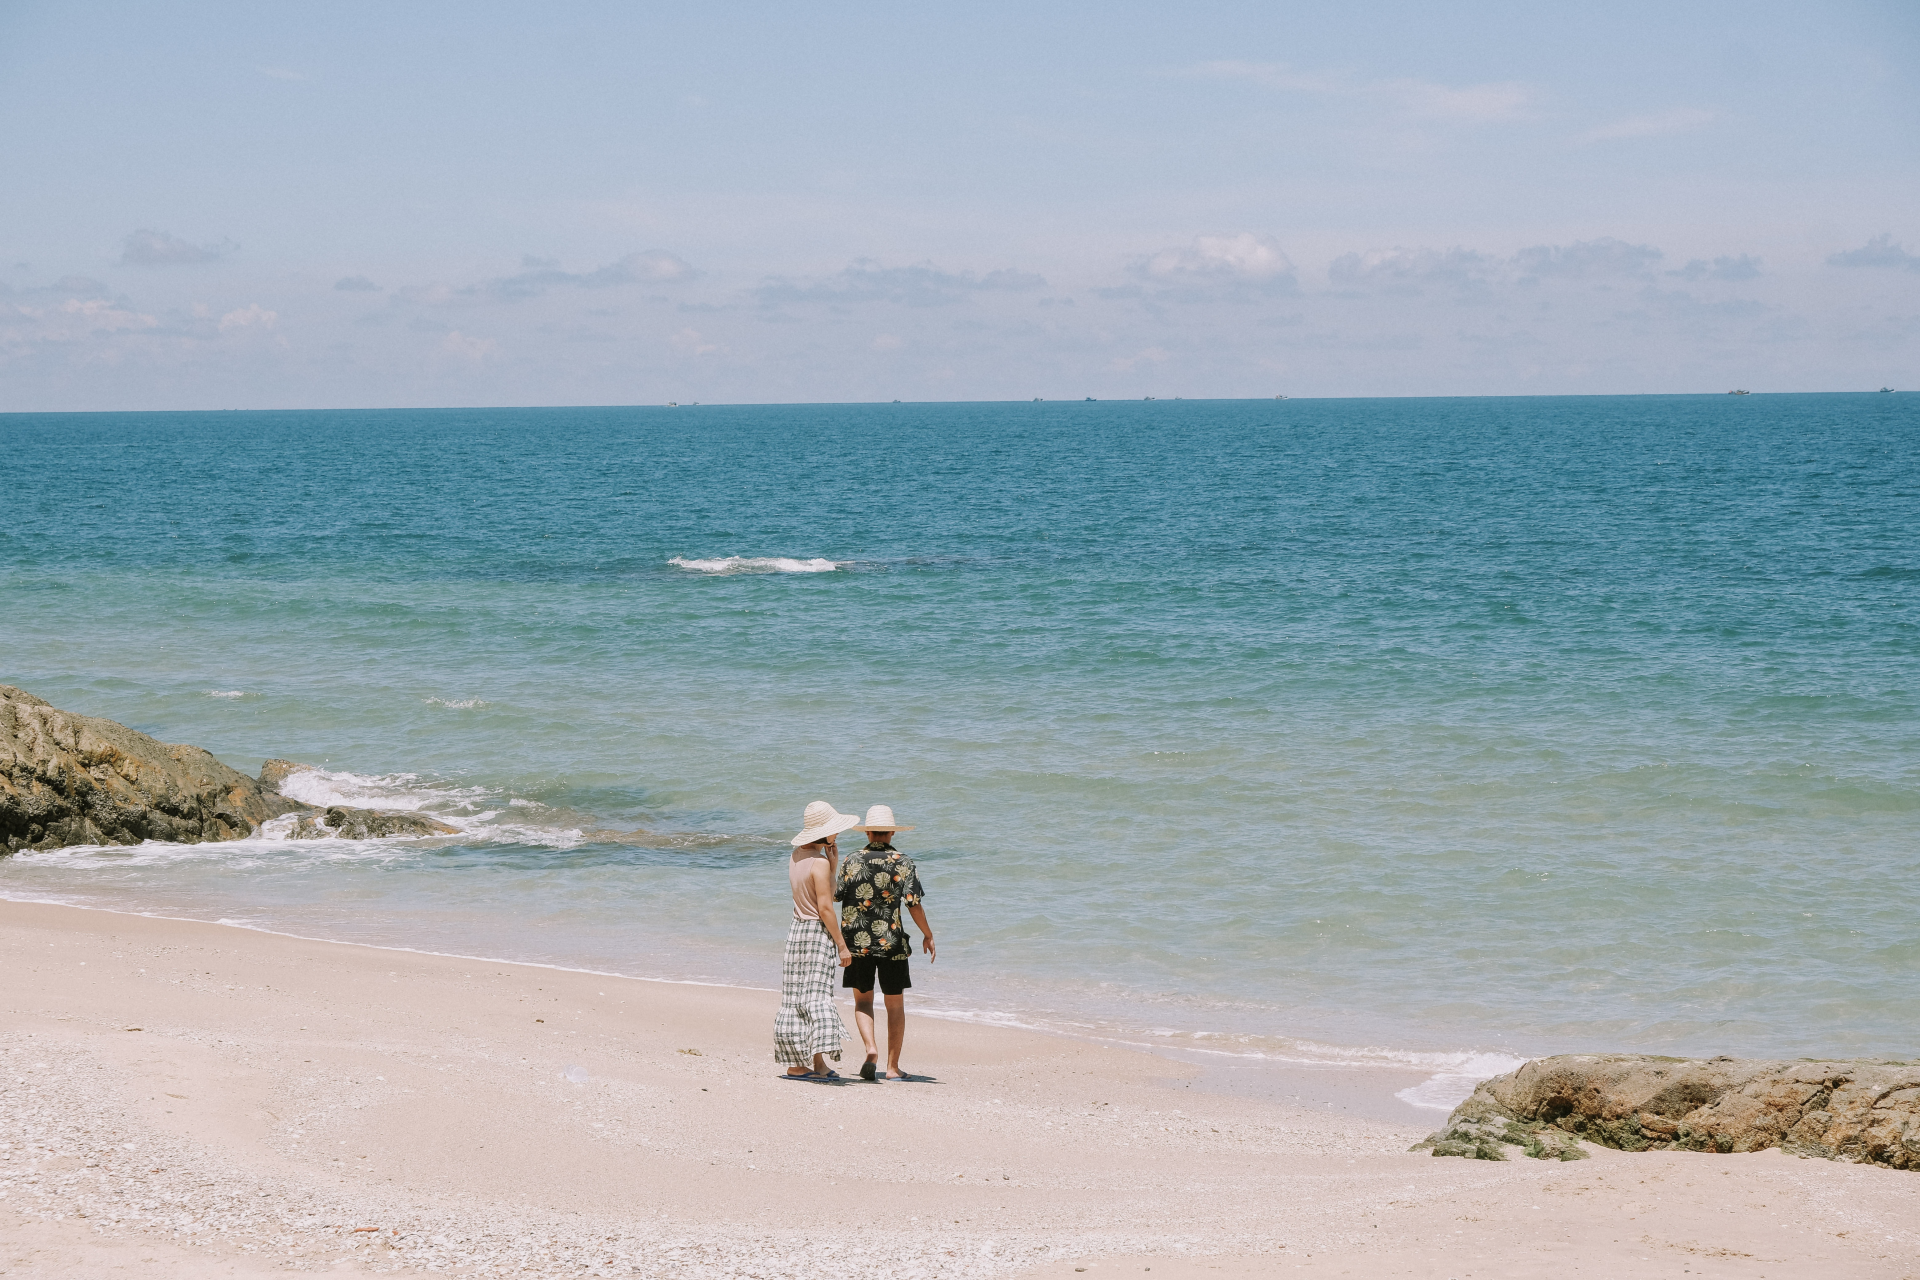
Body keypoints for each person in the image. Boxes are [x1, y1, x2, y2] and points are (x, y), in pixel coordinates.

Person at [835, 804, 935, 1081]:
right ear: (891, 832)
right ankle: (892, 1068)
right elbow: (913, 904)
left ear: (868, 833)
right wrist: (927, 933)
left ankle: (870, 1048)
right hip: (891, 944)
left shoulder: (851, 860)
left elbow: (837, 894)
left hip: (855, 943)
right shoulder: (903, 861)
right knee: (894, 1004)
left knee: (863, 1001)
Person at [775, 801, 859, 1081]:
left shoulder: (797, 855)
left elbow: (812, 896)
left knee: (795, 999)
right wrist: (842, 945)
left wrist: (832, 867)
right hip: (816, 934)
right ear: (823, 833)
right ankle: (819, 1064)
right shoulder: (819, 862)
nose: (837, 835)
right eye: (834, 830)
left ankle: (796, 1065)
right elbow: (825, 908)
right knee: (818, 998)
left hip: (796, 932)